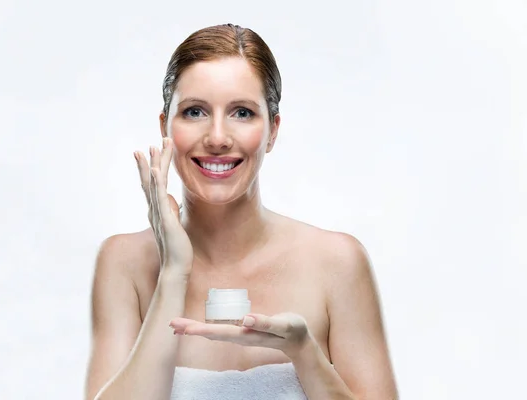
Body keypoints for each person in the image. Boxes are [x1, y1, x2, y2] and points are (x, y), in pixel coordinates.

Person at [84, 23, 398, 400]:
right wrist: (173, 272)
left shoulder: (337, 263)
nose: (217, 137)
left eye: (243, 113)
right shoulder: (124, 263)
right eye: (195, 111)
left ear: (273, 131)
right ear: (165, 126)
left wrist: (305, 354)